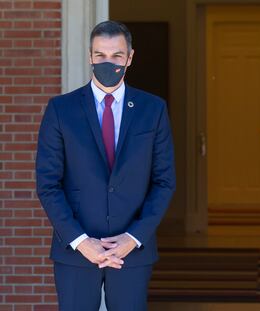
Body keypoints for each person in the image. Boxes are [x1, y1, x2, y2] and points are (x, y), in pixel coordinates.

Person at [36, 20, 176, 311]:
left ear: (130, 57)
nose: (107, 62)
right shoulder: (61, 110)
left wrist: (133, 237)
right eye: (100, 55)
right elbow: (48, 183)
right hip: (75, 252)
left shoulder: (153, 109)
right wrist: (81, 241)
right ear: (90, 56)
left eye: (116, 55)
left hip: (132, 252)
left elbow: (164, 181)